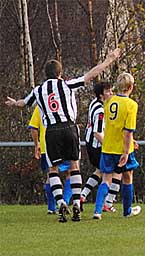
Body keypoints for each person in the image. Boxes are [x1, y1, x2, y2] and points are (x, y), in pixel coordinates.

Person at [5, 48, 121, 222]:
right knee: (74, 166)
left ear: (46, 74)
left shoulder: (38, 90)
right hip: (69, 127)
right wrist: (109, 60)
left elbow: (24, 103)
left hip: (51, 131)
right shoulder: (66, 84)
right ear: (60, 73)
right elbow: (90, 75)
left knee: (53, 170)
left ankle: (60, 203)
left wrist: (14, 103)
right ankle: (75, 202)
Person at [93, 72, 141, 220]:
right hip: (121, 148)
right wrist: (126, 152)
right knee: (127, 177)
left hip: (107, 146)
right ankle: (127, 211)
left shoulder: (108, 101)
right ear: (131, 86)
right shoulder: (131, 105)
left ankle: (97, 211)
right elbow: (128, 131)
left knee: (106, 178)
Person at [80, 82, 120, 213]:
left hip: (90, 144)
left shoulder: (94, 103)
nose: (111, 93)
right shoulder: (100, 110)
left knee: (100, 171)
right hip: (98, 145)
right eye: (108, 91)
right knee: (117, 172)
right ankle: (108, 202)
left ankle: (83, 195)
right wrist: (108, 146)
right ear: (101, 94)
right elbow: (97, 132)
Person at [28, 107, 71, 214]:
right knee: (70, 172)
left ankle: (51, 208)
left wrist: (36, 144)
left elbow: (33, 127)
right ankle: (64, 202)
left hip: (46, 145)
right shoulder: (63, 102)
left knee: (50, 175)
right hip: (63, 143)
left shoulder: (40, 104)